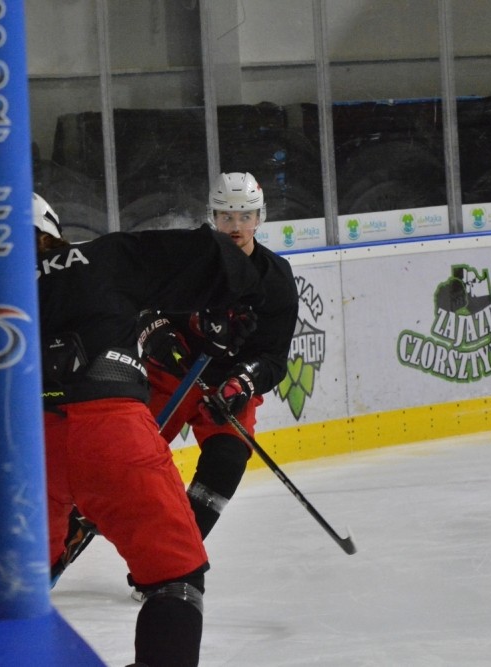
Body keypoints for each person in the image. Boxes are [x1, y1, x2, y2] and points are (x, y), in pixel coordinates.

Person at [32, 192, 261, 667]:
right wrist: (223, 309)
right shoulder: (101, 256)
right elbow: (216, 255)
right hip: (111, 431)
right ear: (53, 230)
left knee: (18, 584)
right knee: (176, 577)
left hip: (26, 443)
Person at [144, 172, 299, 539]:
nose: (236, 226)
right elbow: (143, 305)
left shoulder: (276, 277)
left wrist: (243, 382)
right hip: (171, 378)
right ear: (212, 216)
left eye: (245, 216)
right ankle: (70, 531)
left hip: (226, 389)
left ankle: (178, 552)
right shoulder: (187, 259)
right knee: (126, 456)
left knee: (227, 460)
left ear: (260, 218)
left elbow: (273, 358)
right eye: (227, 216)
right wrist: (155, 330)